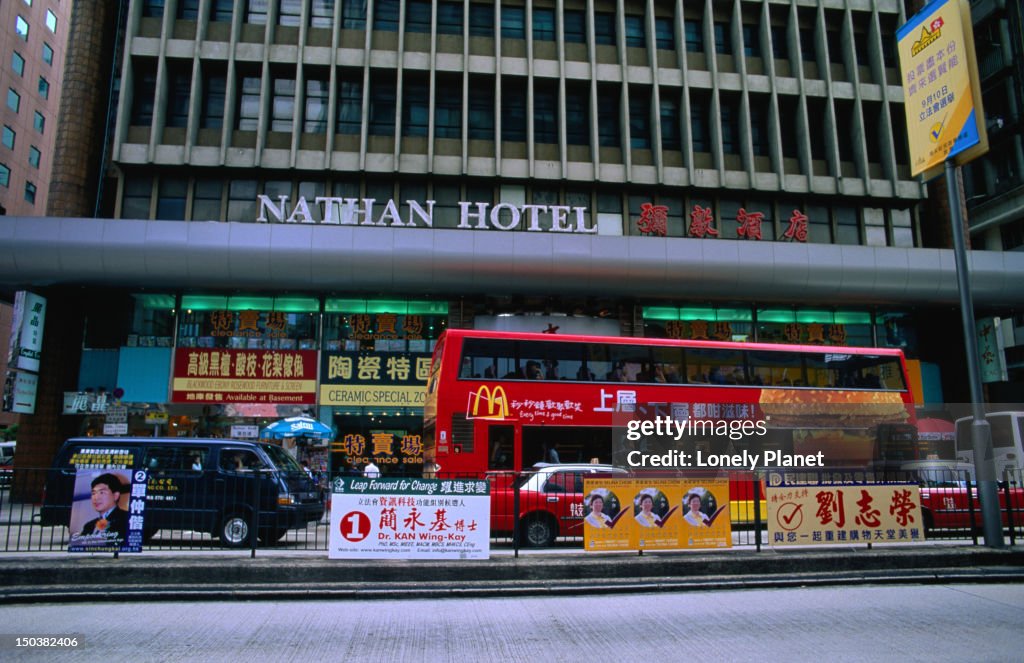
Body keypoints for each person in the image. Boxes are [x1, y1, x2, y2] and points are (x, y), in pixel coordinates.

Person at [79, 473, 130, 540]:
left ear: (115, 496)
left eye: (102, 493)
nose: (96, 498)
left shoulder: (127, 519)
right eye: (93, 493)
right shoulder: (89, 525)